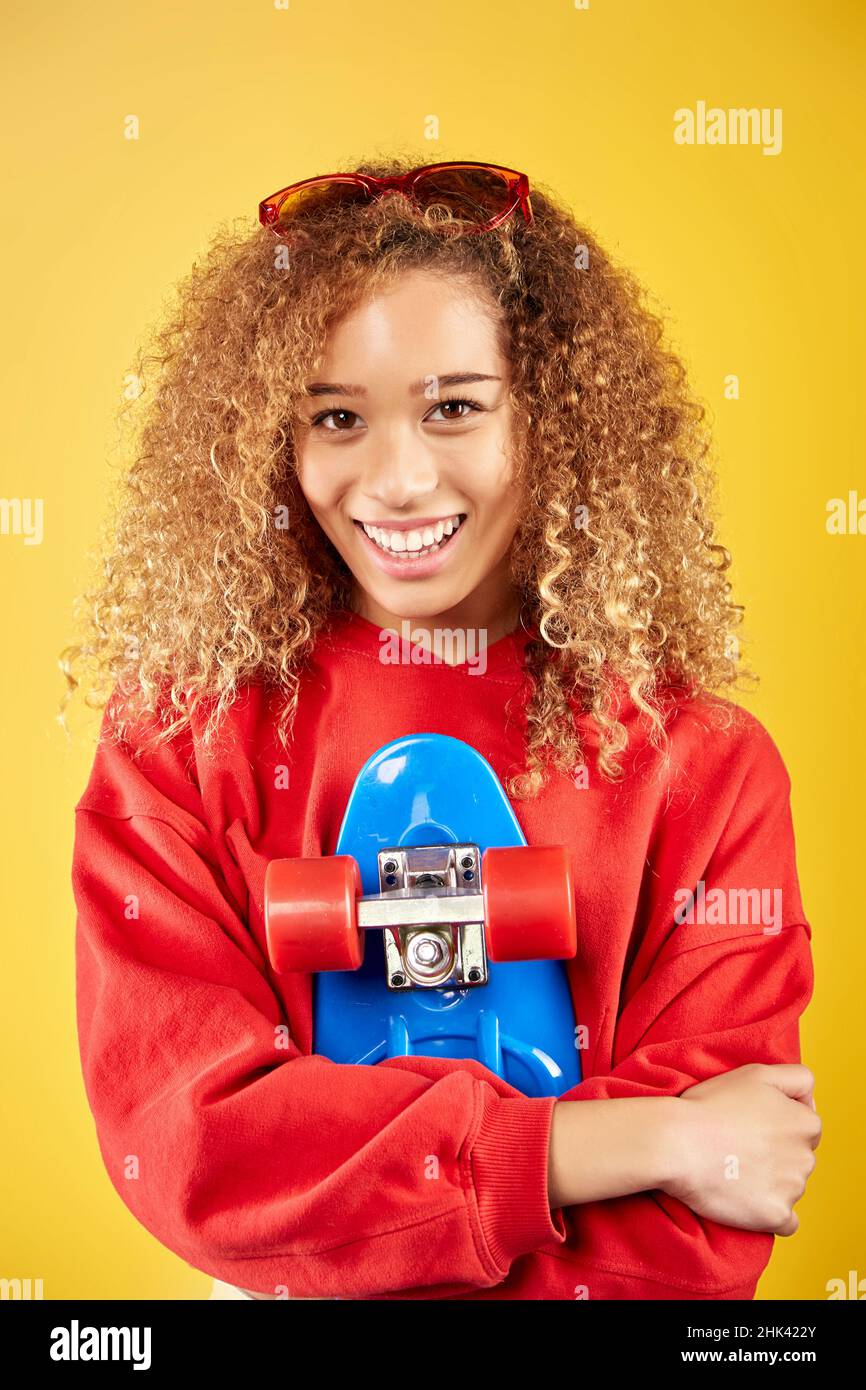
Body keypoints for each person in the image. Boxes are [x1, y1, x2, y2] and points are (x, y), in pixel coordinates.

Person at [62, 158, 821, 1301]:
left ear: (554, 420)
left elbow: (700, 1235)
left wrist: (353, 1215)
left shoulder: (704, 769)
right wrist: (626, 1141)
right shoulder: (179, 745)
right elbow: (200, 1156)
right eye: (336, 418)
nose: (398, 478)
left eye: (454, 406)